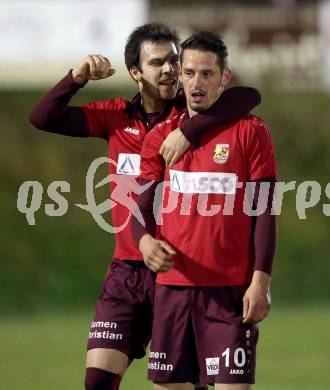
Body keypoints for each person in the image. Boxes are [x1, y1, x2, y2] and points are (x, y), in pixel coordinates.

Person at [29, 23, 261, 390]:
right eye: (158, 63)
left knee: (191, 383)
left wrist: (189, 131)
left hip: (179, 273)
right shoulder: (115, 116)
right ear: (136, 72)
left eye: (174, 61)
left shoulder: (190, 114)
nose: (170, 70)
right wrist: (76, 77)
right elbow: (43, 118)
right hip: (127, 271)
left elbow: (246, 96)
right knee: (97, 381)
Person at [133, 31, 277, 390]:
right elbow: (141, 207)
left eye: (208, 74)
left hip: (228, 291)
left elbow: (265, 212)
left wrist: (260, 281)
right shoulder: (161, 135)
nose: (197, 83)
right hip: (173, 290)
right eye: (190, 72)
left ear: (224, 78)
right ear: (179, 75)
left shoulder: (250, 131)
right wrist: (146, 243)